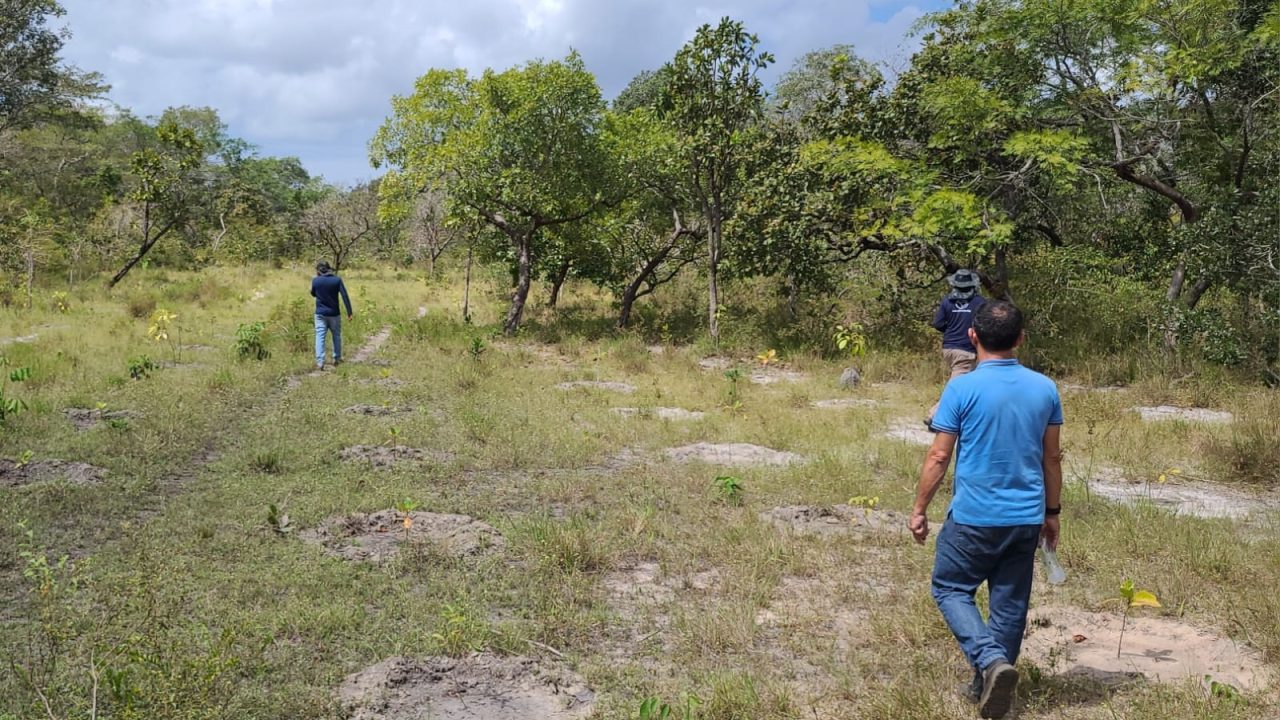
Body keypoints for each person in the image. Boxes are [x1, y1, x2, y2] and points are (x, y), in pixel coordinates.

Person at [908, 301, 1063, 720]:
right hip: (1026, 517)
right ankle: (989, 688)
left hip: (975, 515)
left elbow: (940, 457)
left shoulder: (961, 388)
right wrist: (1053, 513)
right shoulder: (1045, 388)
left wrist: (920, 508)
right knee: (1009, 605)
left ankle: (991, 662)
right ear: (1020, 339)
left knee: (950, 588)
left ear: (972, 337)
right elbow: (1052, 458)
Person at [926, 269, 986, 428]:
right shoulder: (979, 302)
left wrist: (952, 329)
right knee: (955, 387)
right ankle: (935, 415)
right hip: (965, 350)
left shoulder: (947, 302)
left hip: (949, 348)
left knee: (964, 385)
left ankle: (962, 418)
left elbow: (938, 324)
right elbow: (985, 325)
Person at [310, 261, 353, 370]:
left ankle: (320, 362)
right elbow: (344, 296)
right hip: (334, 314)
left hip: (320, 314)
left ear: (319, 271)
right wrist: (349, 312)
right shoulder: (337, 280)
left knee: (320, 336)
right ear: (329, 270)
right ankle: (337, 358)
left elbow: (313, 293)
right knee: (336, 336)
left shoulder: (315, 281)